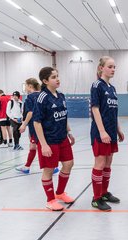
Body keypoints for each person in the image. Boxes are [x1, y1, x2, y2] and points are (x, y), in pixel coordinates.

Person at [33, 67, 75, 211]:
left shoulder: (61, 96)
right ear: (45, 81)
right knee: (49, 170)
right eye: (53, 77)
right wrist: (43, 145)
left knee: (68, 163)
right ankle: (50, 200)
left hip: (62, 137)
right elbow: (36, 122)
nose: (57, 79)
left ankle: (60, 193)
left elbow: (64, 115)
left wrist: (69, 132)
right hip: (49, 140)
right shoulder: (42, 98)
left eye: (57, 76)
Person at [90, 56, 124, 211]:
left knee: (108, 163)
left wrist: (118, 129)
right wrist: (102, 131)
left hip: (111, 132)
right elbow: (95, 109)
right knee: (100, 163)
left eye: (114, 67)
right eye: (110, 66)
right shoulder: (97, 85)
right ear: (101, 68)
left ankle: (104, 193)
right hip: (100, 132)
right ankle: (96, 198)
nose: (113, 69)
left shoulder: (113, 88)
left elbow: (113, 112)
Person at [16, 78, 60, 174]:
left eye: (26, 86)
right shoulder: (43, 95)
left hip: (35, 126)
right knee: (39, 145)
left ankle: (30, 166)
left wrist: (23, 124)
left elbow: (30, 112)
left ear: (30, 86)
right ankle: (30, 166)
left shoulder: (30, 97)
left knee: (34, 146)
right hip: (45, 126)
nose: (26, 88)